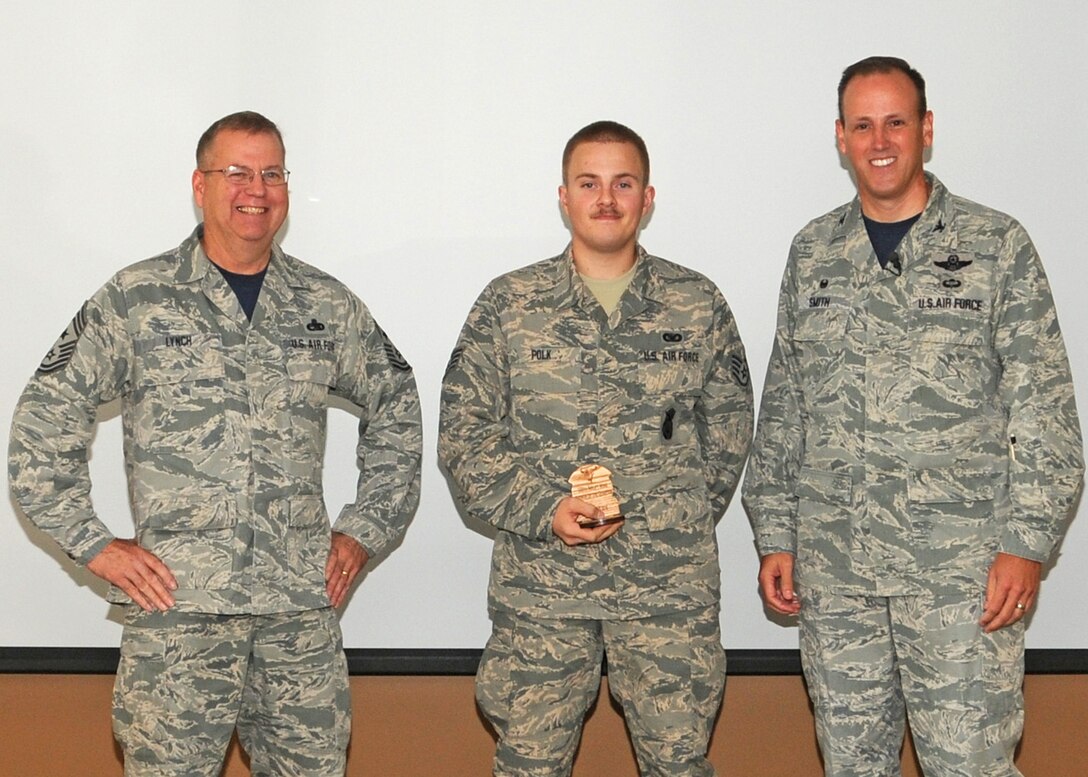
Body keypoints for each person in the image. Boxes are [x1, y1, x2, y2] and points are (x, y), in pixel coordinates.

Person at [8, 111, 422, 776]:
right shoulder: (137, 299)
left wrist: (364, 527)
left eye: (271, 173)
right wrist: (95, 543)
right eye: (236, 172)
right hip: (179, 616)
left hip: (297, 618)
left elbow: (397, 402)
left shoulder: (325, 304)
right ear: (200, 186)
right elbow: (42, 422)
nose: (255, 188)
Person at [742, 57, 1084, 776]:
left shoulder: (996, 246)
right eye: (862, 125)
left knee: (970, 766)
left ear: (926, 129)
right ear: (841, 137)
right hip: (837, 578)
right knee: (853, 766)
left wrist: (1027, 542)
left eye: (895, 120)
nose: (880, 140)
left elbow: (1045, 411)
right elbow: (784, 408)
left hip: (961, 580)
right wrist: (775, 532)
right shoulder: (813, 253)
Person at [438, 120, 753, 776]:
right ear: (564, 196)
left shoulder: (696, 304)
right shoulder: (510, 305)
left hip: (667, 593)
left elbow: (727, 435)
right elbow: (464, 436)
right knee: (529, 766)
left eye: (623, 183)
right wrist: (541, 508)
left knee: (679, 765)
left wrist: (669, 514)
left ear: (648, 196)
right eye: (590, 183)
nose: (606, 198)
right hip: (544, 591)